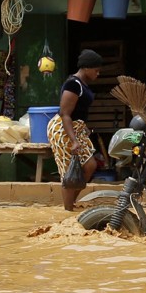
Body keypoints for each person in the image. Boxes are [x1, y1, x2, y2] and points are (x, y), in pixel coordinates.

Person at [49, 49, 103, 211]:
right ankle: (67, 211)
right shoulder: (73, 84)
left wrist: (83, 128)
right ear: (86, 68)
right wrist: (73, 140)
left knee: (90, 165)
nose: (98, 73)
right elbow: (65, 114)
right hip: (63, 130)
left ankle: (71, 202)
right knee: (69, 172)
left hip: (76, 129)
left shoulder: (82, 84)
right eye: (96, 70)